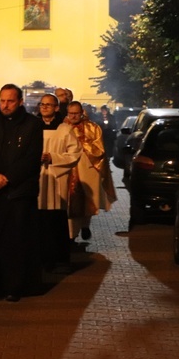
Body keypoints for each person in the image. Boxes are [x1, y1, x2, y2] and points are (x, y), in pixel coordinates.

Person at [0, 83, 43, 302]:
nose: (5, 105)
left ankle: (16, 284)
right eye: (2, 100)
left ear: (20, 101)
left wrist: (9, 177)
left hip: (19, 192)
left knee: (16, 241)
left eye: (10, 101)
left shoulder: (33, 125)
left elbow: (31, 157)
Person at [37, 94, 81, 270]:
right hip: (37, 177)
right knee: (38, 219)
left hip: (56, 177)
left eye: (49, 105)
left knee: (55, 218)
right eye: (42, 104)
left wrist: (53, 157)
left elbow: (75, 153)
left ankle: (57, 257)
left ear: (56, 108)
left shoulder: (65, 129)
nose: (45, 107)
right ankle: (38, 257)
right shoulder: (32, 127)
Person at [65, 101, 117, 241]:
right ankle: (71, 234)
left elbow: (99, 149)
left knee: (87, 200)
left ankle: (85, 226)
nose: (73, 116)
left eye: (76, 113)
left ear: (82, 113)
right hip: (67, 169)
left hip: (86, 168)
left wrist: (82, 143)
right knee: (70, 202)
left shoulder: (92, 127)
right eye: (71, 113)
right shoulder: (62, 127)